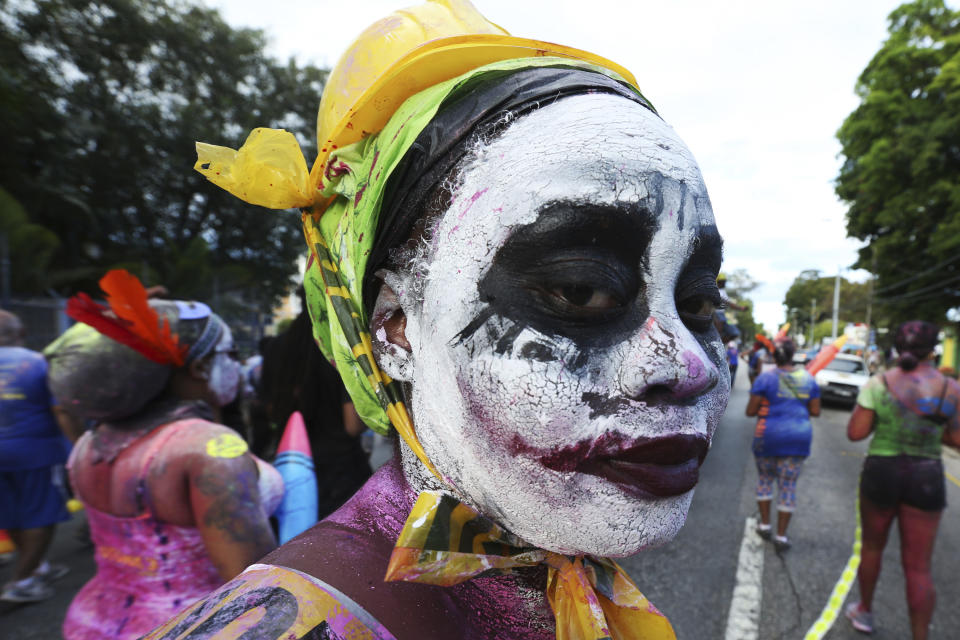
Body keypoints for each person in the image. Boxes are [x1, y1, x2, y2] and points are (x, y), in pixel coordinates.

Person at [145, 1, 731, 638]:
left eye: (698, 302)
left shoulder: (562, 570)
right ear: (395, 328)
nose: (690, 365)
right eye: (581, 289)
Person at [50, 271, 282, 639]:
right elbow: (254, 590)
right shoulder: (209, 449)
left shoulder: (87, 444)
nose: (235, 367)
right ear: (198, 366)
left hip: (91, 622)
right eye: (229, 354)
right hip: (189, 626)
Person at [845, 321, 960, 639]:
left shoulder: (878, 383)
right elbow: (957, 440)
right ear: (933, 350)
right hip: (926, 475)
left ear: (896, 348)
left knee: (871, 547)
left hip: (882, 472)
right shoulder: (951, 388)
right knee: (919, 566)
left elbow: (855, 433)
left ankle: (864, 612)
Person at [258, 287, 371, 519]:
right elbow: (353, 424)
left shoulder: (276, 348)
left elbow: (271, 410)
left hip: (290, 474)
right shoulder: (339, 348)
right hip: (342, 478)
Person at [0, 310, 74, 602]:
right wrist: (78, 447)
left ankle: (36, 566)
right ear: (22, 331)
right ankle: (22, 580)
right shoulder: (38, 363)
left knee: (11, 513)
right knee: (41, 515)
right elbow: (62, 412)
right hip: (35, 453)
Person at [745, 338, 820, 551]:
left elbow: (750, 411)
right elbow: (815, 411)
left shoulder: (765, 379)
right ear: (793, 356)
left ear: (774, 357)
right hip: (798, 438)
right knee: (788, 487)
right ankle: (781, 537)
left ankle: (765, 524)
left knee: (765, 480)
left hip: (767, 436)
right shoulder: (808, 379)